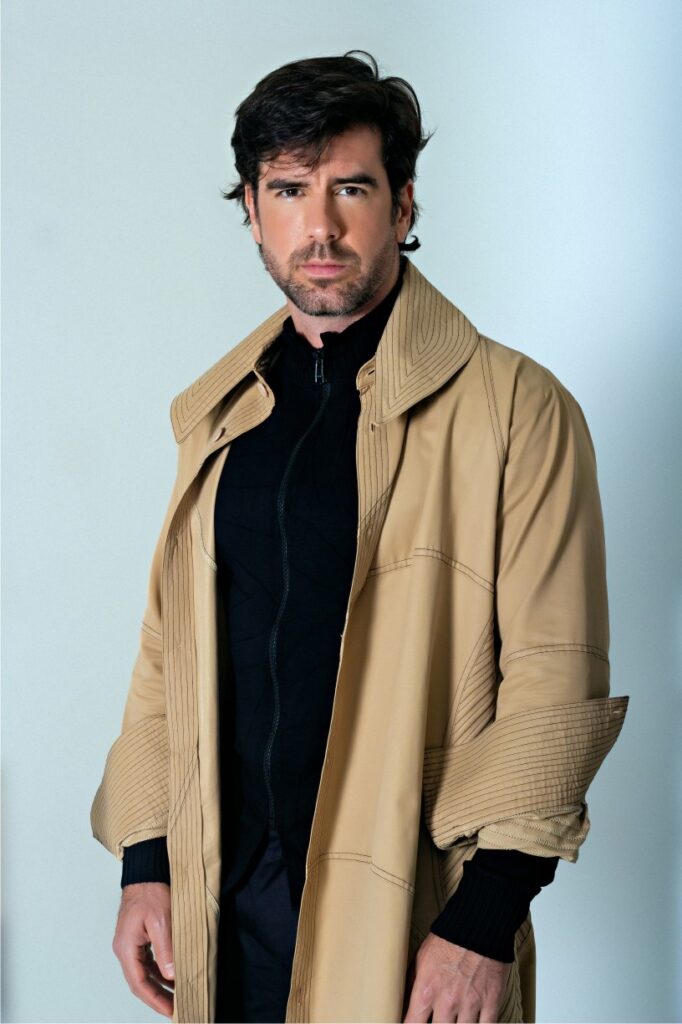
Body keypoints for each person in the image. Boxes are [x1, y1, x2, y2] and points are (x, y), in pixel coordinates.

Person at [90, 50, 629, 1024]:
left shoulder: (517, 409)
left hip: (414, 917)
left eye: (350, 187)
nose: (321, 226)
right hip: (225, 911)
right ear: (251, 210)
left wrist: (483, 923)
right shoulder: (220, 417)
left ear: (403, 203)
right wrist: (147, 860)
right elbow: (166, 657)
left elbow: (554, 681)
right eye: (288, 190)